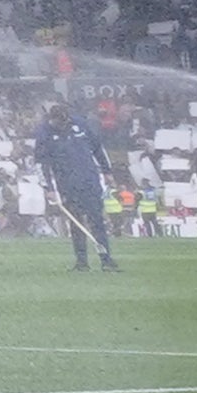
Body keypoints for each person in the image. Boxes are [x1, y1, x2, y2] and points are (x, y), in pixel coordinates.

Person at [38, 101, 118, 271]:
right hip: (67, 184)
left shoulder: (80, 125)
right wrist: (48, 188)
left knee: (97, 221)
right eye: (58, 122)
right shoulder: (44, 133)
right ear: (52, 119)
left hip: (89, 180)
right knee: (76, 222)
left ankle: (106, 260)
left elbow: (97, 148)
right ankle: (82, 262)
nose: (62, 125)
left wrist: (107, 171)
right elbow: (41, 163)